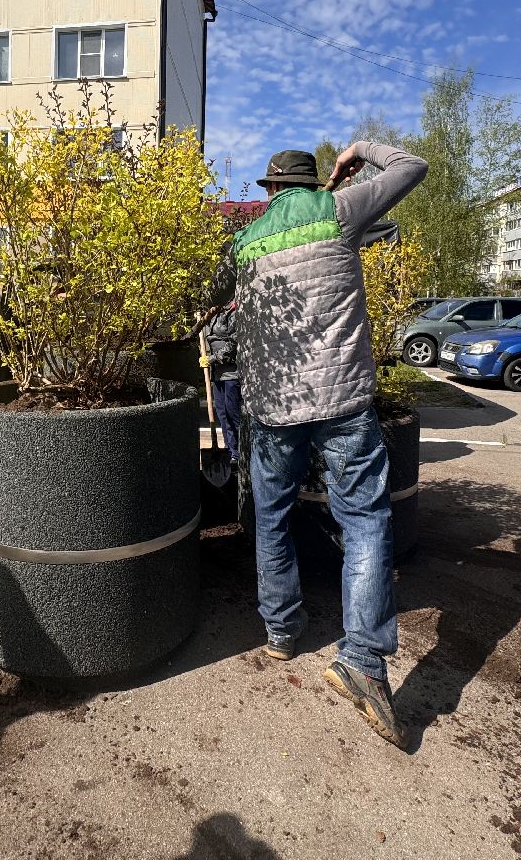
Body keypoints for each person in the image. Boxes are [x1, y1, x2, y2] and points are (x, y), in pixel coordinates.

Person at [209, 141, 427, 747]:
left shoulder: (245, 240)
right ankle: (362, 661)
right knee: (364, 522)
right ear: (316, 180)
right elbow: (413, 166)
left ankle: (281, 631)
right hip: (342, 406)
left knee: (271, 516)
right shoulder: (340, 209)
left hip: (273, 408)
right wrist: (361, 152)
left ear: (270, 188)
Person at [201, 300, 242, 461]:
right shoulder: (211, 314)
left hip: (232, 372)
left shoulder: (233, 312)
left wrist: (212, 359)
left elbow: (235, 343)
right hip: (217, 374)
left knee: (233, 413)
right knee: (222, 413)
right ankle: (231, 451)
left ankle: (242, 452)